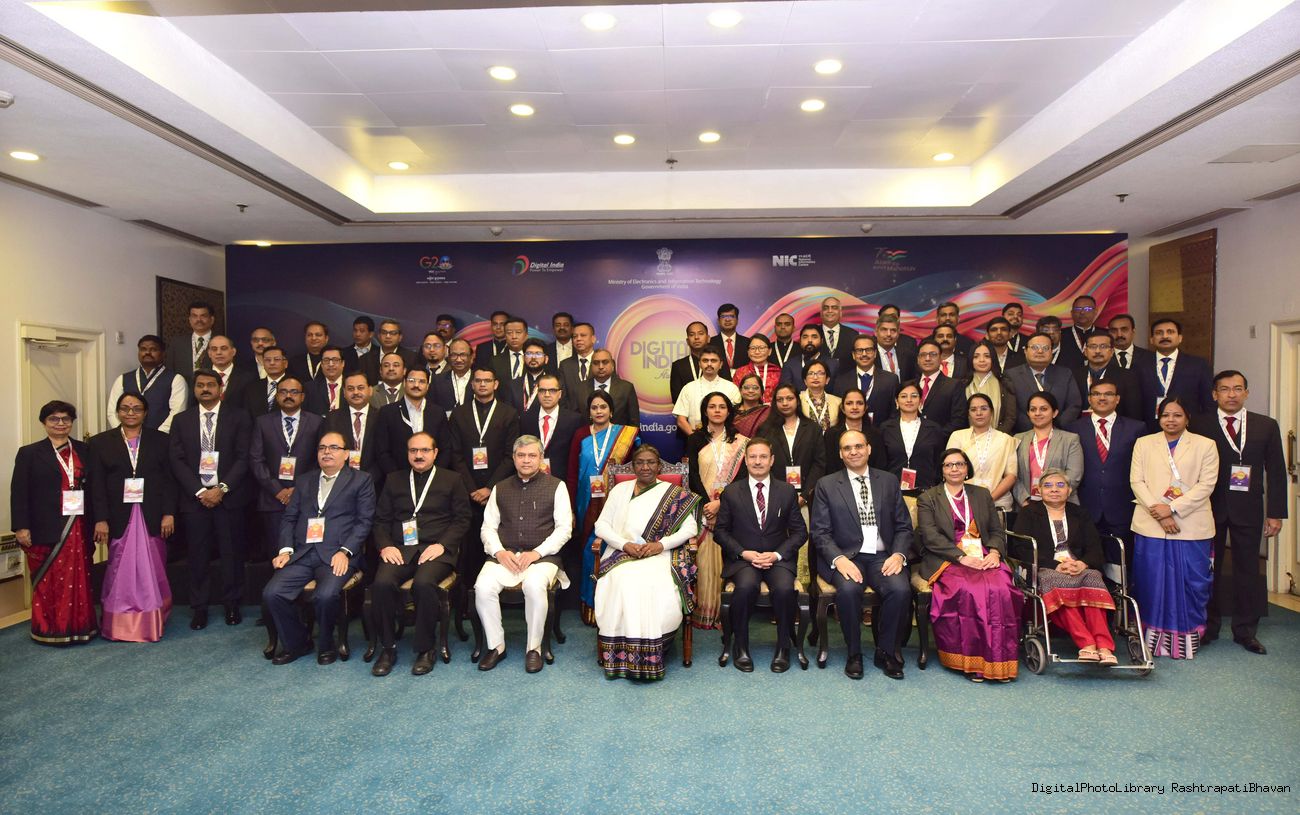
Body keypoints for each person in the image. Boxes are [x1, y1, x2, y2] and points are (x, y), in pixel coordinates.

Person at [1192, 371, 1288, 654]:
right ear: (1214, 394)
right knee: (1209, 569)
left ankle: (1246, 631)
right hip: (1208, 507)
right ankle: (1207, 627)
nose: (1231, 394)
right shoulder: (1199, 424)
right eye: (1224, 389)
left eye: (1237, 389)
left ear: (1246, 392)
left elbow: (1277, 471)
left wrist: (1275, 513)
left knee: (1248, 570)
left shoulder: (1265, 425)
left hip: (1248, 507)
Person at [263, 431, 376, 665]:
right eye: (322, 448)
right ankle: (298, 643)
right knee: (272, 593)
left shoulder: (361, 480)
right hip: (303, 553)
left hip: (337, 554)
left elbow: (364, 522)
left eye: (334, 447)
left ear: (346, 454)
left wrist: (345, 551)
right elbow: (289, 518)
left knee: (325, 596)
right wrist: (285, 550)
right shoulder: (305, 480)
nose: (327, 452)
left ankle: (326, 645)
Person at [811, 430, 914, 679]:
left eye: (858, 446)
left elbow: (903, 526)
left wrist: (898, 555)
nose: (853, 452)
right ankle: (854, 653)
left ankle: (886, 651)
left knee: (900, 590)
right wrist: (839, 559)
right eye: (847, 448)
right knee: (848, 591)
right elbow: (820, 532)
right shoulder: (826, 485)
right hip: (847, 557)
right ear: (840, 454)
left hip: (883, 556)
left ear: (869, 449)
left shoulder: (888, 481)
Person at [593, 444, 702, 680]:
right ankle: (621, 650)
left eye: (650, 462)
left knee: (652, 583)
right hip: (621, 552)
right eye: (640, 462)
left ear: (659, 466)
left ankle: (652, 649)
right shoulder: (619, 490)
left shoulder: (673, 493)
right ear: (633, 466)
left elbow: (690, 528)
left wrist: (660, 545)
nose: (645, 467)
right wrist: (624, 544)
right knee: (621, 581)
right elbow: (601, 525)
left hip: (660, 553)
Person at [917, 448, 1024, 682]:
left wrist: (994, 552)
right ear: (942, 470)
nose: (954, 469)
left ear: (967, 469)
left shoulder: (981, 494)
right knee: (971, 591)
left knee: (1002, 588)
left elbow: (996, 530)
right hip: (947, 558)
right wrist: (961, 557)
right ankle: (973, 662)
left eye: (959, 464)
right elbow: (930, 536)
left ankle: (1000, 662)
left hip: (983, 555)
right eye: (948, 465)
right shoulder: (929, 498)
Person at [369, 432, 471, 676]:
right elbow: (380, 520)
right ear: (407, 453)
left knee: (424, 583)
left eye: (424, 450)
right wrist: (385, 546)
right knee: (381, 583)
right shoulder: (394, 479)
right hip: (400, 549)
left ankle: (426, 649)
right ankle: (388, 647)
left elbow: (462, 519)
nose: (418, 455)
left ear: (435, 453)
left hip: (437, 550)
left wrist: (443, 545)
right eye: (413, 450)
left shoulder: (452, 479)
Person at [474, 436, 574, 673]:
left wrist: (536, 553)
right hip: (505, 556)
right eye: (521, 455)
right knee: (482, 587)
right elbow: (488, 528)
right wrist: (499, 552)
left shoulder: (557, 486)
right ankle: (496, 646)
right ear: (514, 458)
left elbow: (564, 529)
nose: (526, 460)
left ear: (541, 458)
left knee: (534, 585)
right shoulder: (500, 487)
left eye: (532, 455)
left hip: (542, 558)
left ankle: (534, 648)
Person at [1130, 397, 1219, 659]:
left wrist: (1173, 509)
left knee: (1191, 582)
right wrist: (1159, 511)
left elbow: (1206, 485)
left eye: (1177, 415)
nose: (1171, 420)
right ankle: (1152, 640)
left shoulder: (1205, 445)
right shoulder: (1144, 443)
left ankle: (1187, 640)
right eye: (1166, 415)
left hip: (1190, 526)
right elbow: (1137, 481)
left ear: (1187, 418)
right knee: (1151, 582)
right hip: (1151, 524)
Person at [169, 371, 253, 630]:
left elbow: (244, 457)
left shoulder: (239, 417)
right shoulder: (181, 420)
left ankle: (232, 604)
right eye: (200, 385)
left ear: (220, 388)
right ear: (194, 389)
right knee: (197, 556)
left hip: (228, 498)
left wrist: (221, 489)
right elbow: (176, 460)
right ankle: (199, 608)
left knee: (231, 554)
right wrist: (199, 491)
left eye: (210, 385)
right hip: (195, 500)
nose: (205, 389)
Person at [90, 393, 176, 642]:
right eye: (125, 408)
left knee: (153, 567)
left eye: (136, 408)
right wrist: (100, 519)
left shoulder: (161, 440)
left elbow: (170, 481)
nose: (130, 413)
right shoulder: (100, 442)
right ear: (117, 412)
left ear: (145, 412)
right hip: (118, 515)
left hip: (152, 514)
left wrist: (169, 513)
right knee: (119, 568)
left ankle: (152, 618)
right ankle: (119, 624)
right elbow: (96, 485)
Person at [714, 438, 806, 673]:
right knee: (745, 587)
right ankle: (741, 646)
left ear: (772, 460)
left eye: (763, 456)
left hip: (777, 559)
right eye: (753, 456)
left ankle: (783, 647)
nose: (758, 461)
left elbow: (800, 532)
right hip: (744, 559)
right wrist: (743, 553)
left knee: (784, 589)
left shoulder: (787, 491)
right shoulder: (731, 492)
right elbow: (720, 532)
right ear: (745, 460)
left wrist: (776, 555)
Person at [10, 400, 98, 644]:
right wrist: (21, 527)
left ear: (72, 422)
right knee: (49, 579)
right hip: (44, 526)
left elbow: (95, 488)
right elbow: (19, 493)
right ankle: (48, 628)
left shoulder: (85, 450)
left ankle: (79, 626)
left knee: (79, 578)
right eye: (54, 419)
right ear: (44, 422)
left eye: (66, 419)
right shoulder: (29, 453)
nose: (60, 423)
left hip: (78, 526)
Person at [1013, 469, 1118, 664]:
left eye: (1060, 485)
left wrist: (1082, 563)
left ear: (1069, 490)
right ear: (1039, 490)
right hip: (1046, 568)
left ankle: (1104, 646)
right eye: (1048, 486)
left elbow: (1095, 547)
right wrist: (1055, 565)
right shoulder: (1029, 513)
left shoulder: (1080, 513)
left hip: (1078, 566)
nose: (1054, 489)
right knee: (1055, 581)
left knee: (1094, 577)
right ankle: (1087, 643)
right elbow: (1021, 548)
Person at [450, 367, 521, 619]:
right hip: (467, 492)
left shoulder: (509, 413)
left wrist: (490, 487)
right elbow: (455, 455)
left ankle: (498, 599)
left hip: (499, 490)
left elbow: (510, 455)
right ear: (472, 385)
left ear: (496, 384)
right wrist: (472, 489)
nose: (482, 384)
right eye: (478, 381)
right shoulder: (459, 414)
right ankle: (467, 604)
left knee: (497, 543)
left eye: (487, 380)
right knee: (468, 548)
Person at [568, 390, 640, 624]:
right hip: (585, 503)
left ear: (611, 411)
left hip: (617, 502)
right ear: (589, 412)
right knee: (590, 550)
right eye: (594, 407)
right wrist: (571, 507)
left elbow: (638, 470)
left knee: (614, 549)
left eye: (603, 407)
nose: (599, 411)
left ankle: (614, 609)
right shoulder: (580, 434)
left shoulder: (626, 435)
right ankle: (590, 606)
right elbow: (572, 472)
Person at [686, 392, 750, 629]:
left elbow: (742, 476)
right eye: (712, 406)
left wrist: (721, 502)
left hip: (732, 507)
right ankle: (705, 611)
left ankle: (728, 614)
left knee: (731, 557)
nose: (717, 410)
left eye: (722, 407)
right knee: (704, 561)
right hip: (703, 509)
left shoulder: (740, 441)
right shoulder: (695, 439)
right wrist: (708, 506)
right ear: (705, 411)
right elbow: (692, 474)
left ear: (728, 411)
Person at [249, 377, 323, 559]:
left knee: (305, 551)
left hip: (306, 497)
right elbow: (256, 459)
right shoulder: (263, 422)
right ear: (276, 396)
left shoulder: (316, 422)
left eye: (294, 392)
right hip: (272, 499)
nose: (288, 396)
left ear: (302, 396)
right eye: (283, 392)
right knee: (276, 551)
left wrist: (298, 488)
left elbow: (320, 460)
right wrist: (277, 490)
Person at [1066, 380, 1143, 543]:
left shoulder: (1136, 428)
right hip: (1086, 506)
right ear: (1089, 399)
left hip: (1123, 507)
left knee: (1122, 557)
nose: (1102, 398)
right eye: (1096, 394)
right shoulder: (1073, 429)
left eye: (1108, 394)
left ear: (1117, 399)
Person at [759, 384, 826, 512]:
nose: (785, 403)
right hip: (774, 495)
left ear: (797, 401)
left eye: (789, 398)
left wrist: (804, 496)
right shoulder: (765, 430)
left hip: (806, 496)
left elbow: (819, 463)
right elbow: (761, 463)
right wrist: (776, 491)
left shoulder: (813, 428)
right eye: (780, 399)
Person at [1137, 318, 1215, 427]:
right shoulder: (1139, 365)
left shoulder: (1198, 365)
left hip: (1188, 427)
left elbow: (1208, 401)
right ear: (1151, 339)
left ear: (1180, 338)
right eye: (1159, 333)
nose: (1165, 336)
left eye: (1170, 332)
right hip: (1148, 427)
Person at [947, 393, 1018, 511]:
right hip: (963, 503)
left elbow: (1011, 476)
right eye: (973, 409)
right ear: (968, 414)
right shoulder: (958, 436)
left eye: (984, 408)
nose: (979, 413)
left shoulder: (1005, 439)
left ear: (992, 412)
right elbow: (949, 471)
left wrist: (989, 500)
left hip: (997, 503)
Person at [375, 367, 451, 476]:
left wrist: (434, 476)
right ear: (404, 383)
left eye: (422, 381)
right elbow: (382, 451)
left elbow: (445, 449)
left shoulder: (438, 413)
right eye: (411, 380)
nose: (416, 385)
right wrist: (396, 477)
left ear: (428, 386)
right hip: (398, 476)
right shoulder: (387, 412)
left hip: (433, 478)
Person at [1012, 392, 1084, 507]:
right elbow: (1012, 475)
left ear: (1055, 413)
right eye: (1033, 409)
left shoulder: (1070, 439)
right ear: (1028, 413)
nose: (1037, 413)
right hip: (1026, 506)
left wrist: (1053, 497)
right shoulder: (1018, 439)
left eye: (1043, 409)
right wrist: (1025, 501)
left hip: (1062, 505)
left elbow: (1074, 476)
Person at [873, 381, 944, 495]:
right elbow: (881, 462)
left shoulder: (933, 428)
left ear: (920, 401)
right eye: (904, 396)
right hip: (892, 490)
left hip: (926, 490)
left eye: (914, 396)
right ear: (896, 401)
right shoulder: (886, 428)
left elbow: (938, 462)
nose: (909, 400)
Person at [1004, 332, 1083, 432]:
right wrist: (1034, 430)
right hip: (1024, 434)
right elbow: (1011, 409)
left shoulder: (1065, 374)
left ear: (1052, 351)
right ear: (1025, 351)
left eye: (1045, 348)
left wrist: (1055, 428)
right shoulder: (1011, 375)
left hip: (1059, 433)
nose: (1040, 351)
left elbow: (1074, 405)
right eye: (1035, 347)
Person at [106, 334, 186, 433]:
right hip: (127, 437)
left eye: (153, 349)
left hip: (162, 437)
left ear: (163, 353)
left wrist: (157, 435)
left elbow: (177, 412)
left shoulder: (176, 379)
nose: (147, 352)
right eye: (143, 349)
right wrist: (124, 432)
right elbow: (112, 412)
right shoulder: (123, 379)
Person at [323, 371, 385, 487]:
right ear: (344, 393)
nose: (356, 392)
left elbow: (384, 453)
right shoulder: (332, 418)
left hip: (374, 484)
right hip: (339, 483)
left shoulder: (382, 417)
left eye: (360, 388)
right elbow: (327, 452)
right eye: (350, 389)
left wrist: (367, 479)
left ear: (370, 390)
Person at [520, 373, 583, 483]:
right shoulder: (526, 419)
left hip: (562, 481)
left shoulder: (574, 420)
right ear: (537, 393)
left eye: (552, 390)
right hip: (531, 480)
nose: (547, 395)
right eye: (542, 390)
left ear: (560, 394)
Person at [1069, 329, 1143, 422]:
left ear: (1112, 351)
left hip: (1116, 427)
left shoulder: (1127, 376)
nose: (1098, 351)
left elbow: (1133, 412)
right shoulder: (1073, 375)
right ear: (1085, 351)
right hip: (1079, 427)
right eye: (1093, 347)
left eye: (1103, 346)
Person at [831, 334, 899, 424]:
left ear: (875, 353)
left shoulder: (890, 380)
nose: (864, 354)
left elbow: (894, 413)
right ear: (853, 355)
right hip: (850, 431)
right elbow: (838, 412)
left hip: (882, 431)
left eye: (868, 350)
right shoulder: (841, 381)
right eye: (859, 350)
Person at [673, 347, 739, 435]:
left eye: (713, 361)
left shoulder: (731, 387)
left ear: (721, 364)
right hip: (695, 437)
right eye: (705, 360)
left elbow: (737, 418)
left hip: (725, 439)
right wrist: (695, 438)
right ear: (699, 364)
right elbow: (681, 420)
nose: (709, 364)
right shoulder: (688, 388)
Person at [961, 340, 1016, 434]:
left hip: (999, 437)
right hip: (968, 438)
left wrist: (996, 437)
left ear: (993, 359)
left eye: (987, 356)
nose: (982, 360)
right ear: (971, 360)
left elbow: (1010, 417)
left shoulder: (1004, 383)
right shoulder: (962, 385)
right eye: (976, 356)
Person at [576, 349, 640, 428]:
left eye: (605, 362)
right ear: (591, 366)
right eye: (596, 363)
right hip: (587, 435)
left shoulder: (626, 388)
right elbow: (575, 420)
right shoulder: (580, 388)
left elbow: (634, 423)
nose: (601, 367)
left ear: (612, 365)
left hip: (618, 435)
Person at [913, 340, 966, 435]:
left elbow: (958, 421)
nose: (927, 359)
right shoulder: (909, 385)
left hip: (940, 440)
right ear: (918, 359)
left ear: (941, 358)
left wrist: (935, 436)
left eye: (933, 354)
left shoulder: (954, 385)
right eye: (923, 355)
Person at [824, 388, 881, 475]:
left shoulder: (876, 434)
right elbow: (829, 465)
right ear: (842, 408)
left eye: (859, 403)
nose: (854, 407)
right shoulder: (831, 434)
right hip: (838, 481)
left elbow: (880, 465)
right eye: (849, 403)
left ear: (865, 408)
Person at [669, 321, 721, 405]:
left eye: (700, 333)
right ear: (687, 341)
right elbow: (676, 398)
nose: (696, 337)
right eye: (692, 334)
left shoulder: (718, 362)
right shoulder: (678, 366)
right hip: (688, 412)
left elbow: (726, 390)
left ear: (708, 338)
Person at [164, 299, 215, 383]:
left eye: (203, 316)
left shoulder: (222, 343)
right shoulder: (177, 343)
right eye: (194, 316)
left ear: (212, 319)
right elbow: (169, 371)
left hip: (211, 388)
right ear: (190, 320)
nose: (199, 319)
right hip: (183, 389)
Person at [779, 323, 839, 389]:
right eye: (805, 337)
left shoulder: (833, 364)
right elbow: (784, 392)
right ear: (800, 341)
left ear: (822, 341)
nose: (809, 340)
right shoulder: (789, 365)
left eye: (814, 337)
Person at [240, 344, 289, 419]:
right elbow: (246, 415)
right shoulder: (251, 388)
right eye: (267, 360)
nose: (272, 363)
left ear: (285, 363)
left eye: (276, 359)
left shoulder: (296, 386)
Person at [557, 322, 599, 411]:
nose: (578, 339)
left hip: (598, 414)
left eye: (583, 335)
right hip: (572, 416)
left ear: (593, 339)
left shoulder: (603, 362)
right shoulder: (565, 365)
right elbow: (562, 396)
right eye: (575, 336)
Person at [731, 333, 781, 404]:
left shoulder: (777, 372)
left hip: (774, 409)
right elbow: (735, 398)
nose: (757, 352)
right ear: (748, 352)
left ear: (769, 351)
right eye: (753, 348)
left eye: (762, 348)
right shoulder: (740, 372)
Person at [503, 339, 550, 413]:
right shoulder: (512, 385)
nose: (533, 357)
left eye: (538, 354)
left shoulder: (554, 383)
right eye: (529, 354)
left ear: (546, 359)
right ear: (523, 358)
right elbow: (508, 413)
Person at [205, 335, 255, 404]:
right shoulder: (200, 376)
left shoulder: (248, 378)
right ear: (209, 353)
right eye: (214, 349)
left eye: (223, 348)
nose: (218, 352)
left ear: (233, 352)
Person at [1057, 294, 1101, 369]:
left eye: (1087, 309)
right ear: (1072, 313)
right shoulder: (1060, 335)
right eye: (1078, 309)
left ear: (1095, 311)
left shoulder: (1105, 334)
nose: (1082, 312)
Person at [490, 316, 532, 395]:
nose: (514, 337)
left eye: (518, 332)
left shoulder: (534, 359)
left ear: (526, 335)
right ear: (505, 336)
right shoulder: (495, 361)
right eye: (509, 333)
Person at [303, 345, 346, 416]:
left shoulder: (351, 386)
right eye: (326, 360)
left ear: (343, 363)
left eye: (335, 360)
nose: (331, 364)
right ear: (321, 364)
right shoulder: (309, 388)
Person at [434, 339, 475, 412]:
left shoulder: (479, 379)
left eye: (463, 355)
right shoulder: (437, 380)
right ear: (449, 357)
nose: (458, 360)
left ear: (471, 357)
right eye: (454, 355)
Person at [816, 295, 859, 365]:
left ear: (840, 313)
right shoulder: (813, 333)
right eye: (826, 308)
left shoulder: (853, 334)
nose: (830, 311)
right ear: (821, 313)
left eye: (834, 308)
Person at [799, 360, 840, 432]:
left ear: (827, 380)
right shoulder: (797, 400)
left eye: (820, 373)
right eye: (810, 373)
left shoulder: (838, 402)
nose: (815, 377)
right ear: (805, 381)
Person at [709, 302, 750, 370]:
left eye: (731, 316)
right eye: (723, 316)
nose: (727, 319)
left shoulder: (748, 342)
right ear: (718, 321)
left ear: (737, 320)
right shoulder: (710, 343)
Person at [874, 314, 916, 381]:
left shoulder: (907, 355)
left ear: (898, 333)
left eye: (893, 330)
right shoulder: (870, 355)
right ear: (876, 332)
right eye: (884, 330)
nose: (889, 334)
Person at [288, 321, 330, 386]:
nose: (313, 338)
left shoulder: (334, 360)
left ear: (326, 338)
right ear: (305, 338)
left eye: (318, 335)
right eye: (309, 335)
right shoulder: (294, 362)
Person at [343, 315, 380, 385]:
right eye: (355, 330)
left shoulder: (379, 353)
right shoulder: (344, 353)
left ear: (371, 334)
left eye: (362, 331)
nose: (357, 334)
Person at [732, 373, 771, 439]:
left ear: (761, 391)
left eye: (755, 388)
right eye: (746, 388)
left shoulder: (767, 412)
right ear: (740, 390)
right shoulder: (731, 411)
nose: (750, 391)